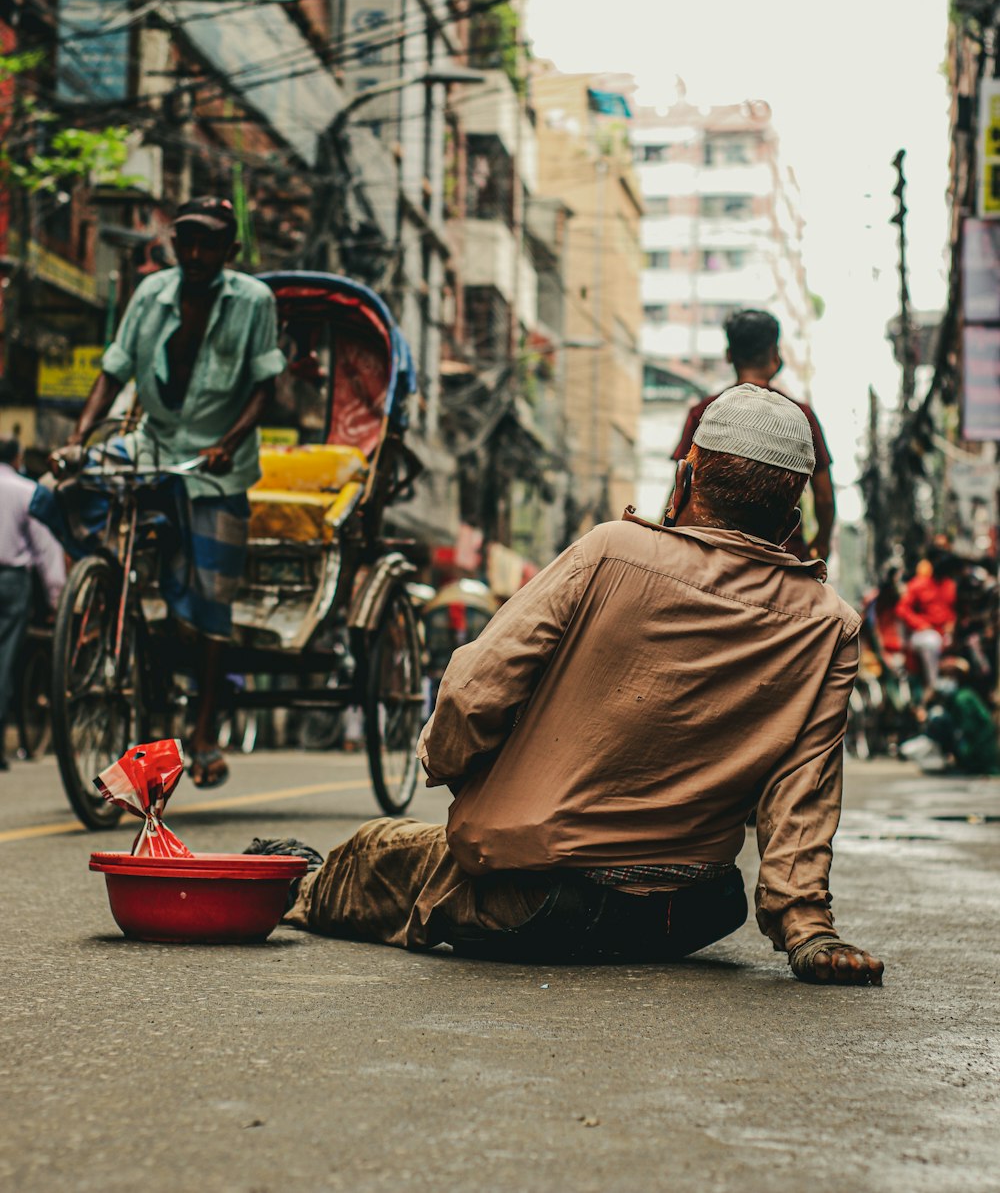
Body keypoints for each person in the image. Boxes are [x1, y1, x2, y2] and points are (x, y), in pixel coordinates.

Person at [253, 386, 883, 986]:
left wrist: (451, 765)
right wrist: (808, 929)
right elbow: (804, 791)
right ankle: (302, 869)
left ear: (686, 479)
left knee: (380, 853)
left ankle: (294, 879)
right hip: (693, 912)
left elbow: (473, 691)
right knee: (425, 863)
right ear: (790, 521)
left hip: (541, 901)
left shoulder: (612, 552)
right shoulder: (829, 624)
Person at [53, 197, 285, 788]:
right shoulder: (150, 293)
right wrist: (78, 438)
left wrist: (230, 441)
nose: (198, 254)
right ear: (174, 242)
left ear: (230, 251)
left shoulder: (253, 301)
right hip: (153, 444)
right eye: (188, 241)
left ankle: (203, 732)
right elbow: (114, 370)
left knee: (211, 605)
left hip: (216, 464)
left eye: (210, 244)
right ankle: (106, 595)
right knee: (66, 489)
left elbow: (266, 385)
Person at [671, 309, 835, 562]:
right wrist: (822, 541)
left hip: (708, 549)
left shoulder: (704, 411)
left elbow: (681, 483)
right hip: (780, 554)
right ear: (775, 355)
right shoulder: (800, 417)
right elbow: (824, 496)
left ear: (728, 355)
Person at [0, 437, 66, 769]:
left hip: (14, 580)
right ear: (18, 458)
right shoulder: (26, 491)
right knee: (5, 659)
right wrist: (58, 600)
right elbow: (46, 549)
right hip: (12, 581)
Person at [896, 550, 957, 693]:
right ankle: (933, 684)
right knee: (931, 640)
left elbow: (951, 612)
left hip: (943, 634)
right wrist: (920, 624)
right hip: (922, 634)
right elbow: (902, 609)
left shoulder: (949, 585)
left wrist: (951, 624)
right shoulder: (918, 584)